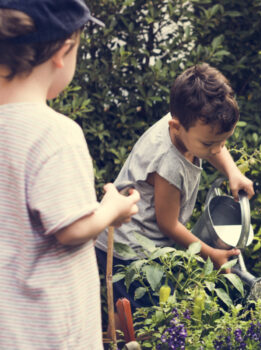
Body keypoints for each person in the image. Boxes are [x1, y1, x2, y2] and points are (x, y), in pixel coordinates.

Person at [0, 0, 140, 348]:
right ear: (63, 52)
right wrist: (111, 209)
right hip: (48, 333)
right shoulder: (54, 134)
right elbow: (71, 229)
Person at [94, 63, 255, 308]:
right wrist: (211, 255)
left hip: (148, 245)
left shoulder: (188, 122)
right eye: (209, 144)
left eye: (223, 142)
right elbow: (167, 224)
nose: (217, 150)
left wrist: (233, 172)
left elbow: (211, 143)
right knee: (141, 318)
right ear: (176, 127)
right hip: (128, 251)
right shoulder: (168, 163)